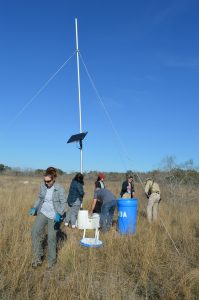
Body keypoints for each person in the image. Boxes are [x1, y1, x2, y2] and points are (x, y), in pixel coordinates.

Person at [29, 167, 67, 269]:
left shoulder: (59, 188)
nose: (46, 183)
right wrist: (34, 207)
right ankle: (38, 257)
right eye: (45, 181)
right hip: (43, 212)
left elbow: (64, 203)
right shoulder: (43, 186)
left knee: (51, 237)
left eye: (48, 181)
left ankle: (51, 262)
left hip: (54, 215)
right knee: (34, 232)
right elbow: (40, 198)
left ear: (54, 178)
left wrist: (60, 213)